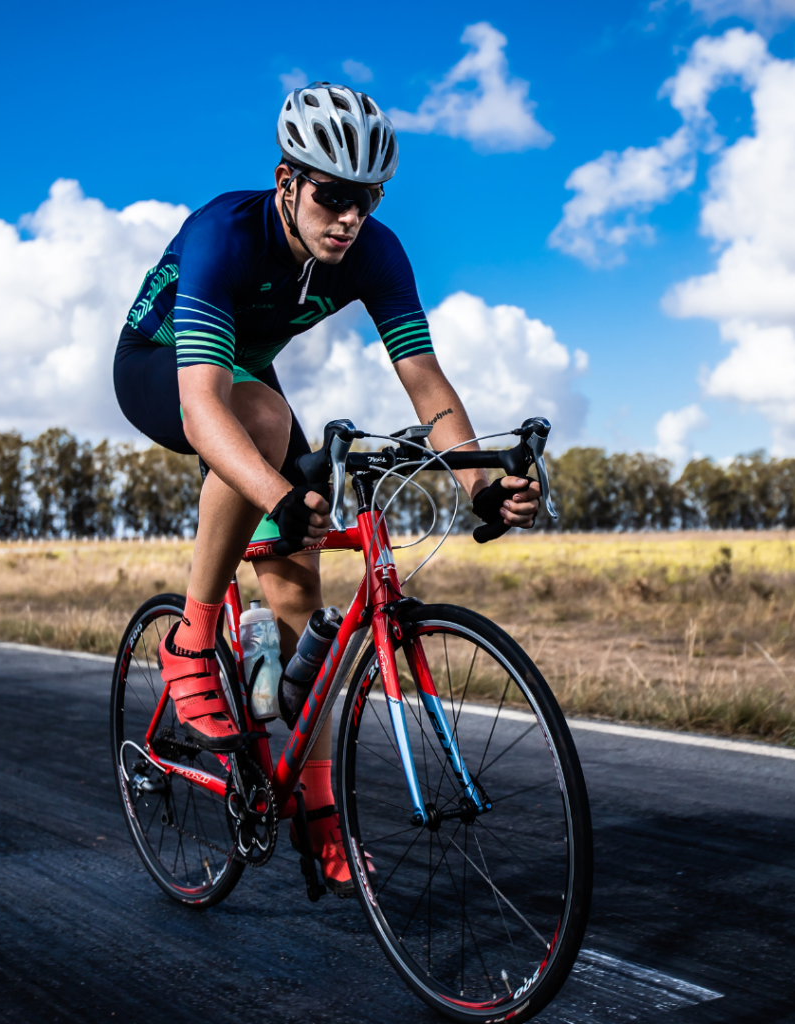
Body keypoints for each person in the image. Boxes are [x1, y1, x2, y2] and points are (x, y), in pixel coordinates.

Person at [113, 82, 541, 895]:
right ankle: (191, 640)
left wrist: (480, 486)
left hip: (247, 374)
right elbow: (205, 408)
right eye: (333, 196)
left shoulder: (375, 252)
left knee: (303, 601)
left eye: (367, 200)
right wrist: (274, 496)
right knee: (267, 428)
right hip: (163, 361)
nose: (350, 217)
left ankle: (316, 810)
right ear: (287, 183)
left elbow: (426, 382)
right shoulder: (224, 234)